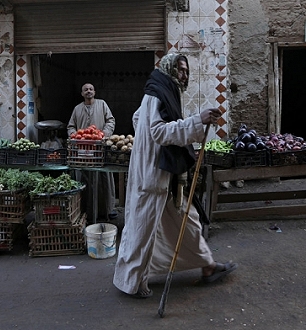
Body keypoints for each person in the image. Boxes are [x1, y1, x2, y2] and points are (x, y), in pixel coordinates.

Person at [113, 53, 238, 298]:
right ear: (170, 69)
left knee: (186, 218)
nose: (184, 75)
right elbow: (158, 131)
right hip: (152, 176)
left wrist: (181, 138)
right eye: (181, 70)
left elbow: (139, 119)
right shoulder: (157, 93)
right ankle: (133, 282)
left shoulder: (162, 90)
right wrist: (195, 122)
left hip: (167, 171)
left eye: (187, 71)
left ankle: (208, 266)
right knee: (142, 228)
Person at [67, 83, 117, 221]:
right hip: (83, 151)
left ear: (94, 92)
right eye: (85, 90)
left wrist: (104, 134)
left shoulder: (102, 104)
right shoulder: (77, 109)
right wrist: (75, 136)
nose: (88, 91)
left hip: (100, 148)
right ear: (82, 94)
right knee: (85, 178)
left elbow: (110, 120)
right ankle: (85, 209)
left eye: (90, 89)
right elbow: (70, 126)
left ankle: (107, 209)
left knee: (103, 179)